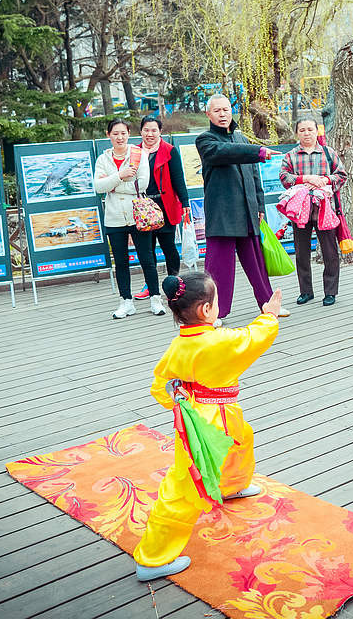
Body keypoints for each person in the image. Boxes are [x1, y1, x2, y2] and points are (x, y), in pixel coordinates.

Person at [132, 272, 281, 581]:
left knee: (241, 440)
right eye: (216, 304)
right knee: (184, 487)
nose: (218, 308)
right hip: (207, 422)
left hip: (205, 415)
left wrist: (178, 403)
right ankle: (153, 558)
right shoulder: (218, 341)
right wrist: (269, 317)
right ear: (205, 310)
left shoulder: (179, 345)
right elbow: (251, 338)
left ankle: (232, 484)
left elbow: (160, 384)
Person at [196, 95, 282, 321]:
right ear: (209, 115)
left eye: (226, 109)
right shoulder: (205, 140)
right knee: (218, 271)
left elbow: (255, 177)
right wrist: (258, 151)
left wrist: (259, 205)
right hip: (223, 215)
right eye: (217, 111)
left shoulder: (240, 137)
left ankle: (268, 305)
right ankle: (214, 313)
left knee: (258, 267)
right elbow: (225, 153)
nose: (223, 114)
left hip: (247, 212)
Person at [279, 117, 347, 306]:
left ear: (317, 131)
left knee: (330, 252)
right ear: (297, 133)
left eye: (310, 129)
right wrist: (304, 178)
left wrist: (325, 180)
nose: (306, 133)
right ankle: (306, 291)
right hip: (300, 210)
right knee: (301, 253)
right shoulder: (291, 156)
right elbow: (284, 177)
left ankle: (330, 292)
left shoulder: (328, 153)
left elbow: (342, 175)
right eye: (302, 130)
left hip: (325, 210)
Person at [94, 118, 152, 319]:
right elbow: (98, 187)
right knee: (120, 262)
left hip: (138, 215)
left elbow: (142, 184)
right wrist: (120, 175)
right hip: (114, 217)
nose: (119, 137)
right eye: (115, 133)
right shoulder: (103, 159)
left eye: (123, 133)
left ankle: (155, 298)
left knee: (147, 258)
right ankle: (126, 302)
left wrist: (112, 184)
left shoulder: (139, 154)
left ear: (129, 134)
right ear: (108, 135)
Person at [137, 116, 191, 309]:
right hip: (143, 207)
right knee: (147, 250)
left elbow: (179, 178)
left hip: (165, 206)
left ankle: (174, 284)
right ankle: (149, 285)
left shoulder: (169, 151)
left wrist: (185, 202)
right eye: (146, 130)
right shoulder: (134, 152)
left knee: (168, 247)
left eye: (154, 130)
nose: (149, 134)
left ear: (160, 131)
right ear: (141, 131)